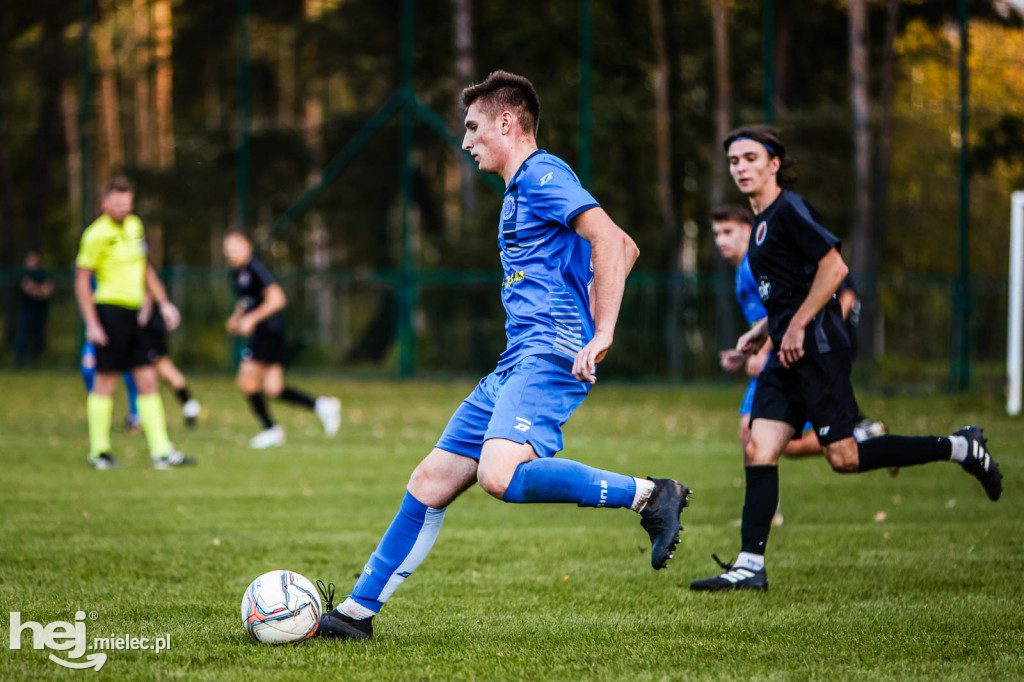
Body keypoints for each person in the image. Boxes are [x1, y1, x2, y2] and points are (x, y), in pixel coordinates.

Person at [317, 70, 691, 642]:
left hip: (549, 355)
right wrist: (590, 310)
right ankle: (355, 615)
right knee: (430, 480)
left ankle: (650, 494)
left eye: (473, 128)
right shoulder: (521, 190)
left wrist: (598, 331)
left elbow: (612, 242)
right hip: (516, 360)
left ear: (507, 123)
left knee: (498, 475)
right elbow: (629, 246)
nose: (465, 142)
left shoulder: (542, 174)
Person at [690, 126, 1002, 592]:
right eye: (734, 161)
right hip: (785, 355)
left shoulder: (789, 210)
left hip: (817, 350)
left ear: (774, 163)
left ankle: (960, 447)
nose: (741, 168)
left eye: (751, 158)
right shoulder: (757, 229)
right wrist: (760, 332)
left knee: (845, 457)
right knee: (759, 447)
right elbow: (787, 293)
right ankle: (749, 565)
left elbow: (834, 268)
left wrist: (795, 326)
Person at [74, 177, 195, 469]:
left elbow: (144, 268)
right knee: (106, 380)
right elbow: (81, 281)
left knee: (148, 379)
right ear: (105, 204)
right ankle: (99, 451)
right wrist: (91, 323)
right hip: (109, 312)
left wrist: (162, 302)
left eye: (127, 202)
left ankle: (161, 451)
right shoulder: (95, 234)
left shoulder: (135, 227)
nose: (123, 208)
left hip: (136, 315)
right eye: (117, 203)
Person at [222, 232, 341, 448]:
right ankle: (322, 406)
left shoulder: (255, 268)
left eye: (236, 246)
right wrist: (237, 318)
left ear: (247, 246)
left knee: (246, 381)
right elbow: (246, 301)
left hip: (268, 331)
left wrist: (251, 319)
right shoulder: (236, 273)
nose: (232, 252)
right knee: (273, 388)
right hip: (267, 333)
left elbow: (277, 299)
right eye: (228, 248)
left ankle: (271, 429)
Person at [139, 295, 202, 427]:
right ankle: (189, 405)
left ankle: (189, 405)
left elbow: (148, 286)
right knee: (158, 370)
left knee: (160, 368)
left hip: (149, 324)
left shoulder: (147, 277)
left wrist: (145, 311)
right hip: (150, 322)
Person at [15, 251, 53, 367]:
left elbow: (48, 290)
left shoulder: (43, 274)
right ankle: (20, 362)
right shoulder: (24, 274)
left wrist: (35, 289)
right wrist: (40, 291)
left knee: (38, 337)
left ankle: (34, 361)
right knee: (23, 335)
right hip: (27, 311)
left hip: (40, 311)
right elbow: (28, 288)